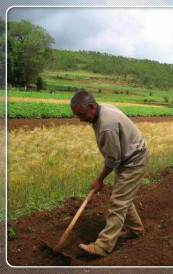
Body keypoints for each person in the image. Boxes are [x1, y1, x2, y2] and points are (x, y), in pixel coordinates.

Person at [70, 91, 148, 257]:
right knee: (122, 196)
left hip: (134, 160)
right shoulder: (102, 109)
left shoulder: (106, 126)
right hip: (128, 157)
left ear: (91, 106)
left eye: (81, 115)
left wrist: (99, 179)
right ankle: (135, 229)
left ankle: (102, 246)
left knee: (118, 201)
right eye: (77, 116)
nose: (81, 120)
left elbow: (113, 159)